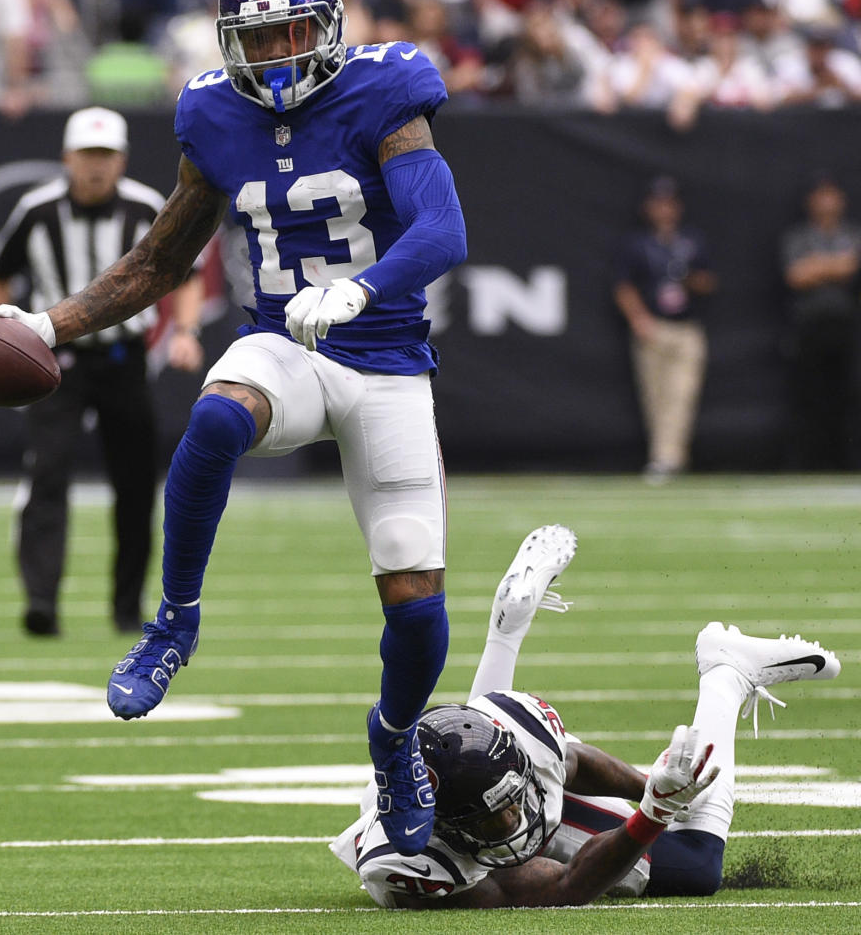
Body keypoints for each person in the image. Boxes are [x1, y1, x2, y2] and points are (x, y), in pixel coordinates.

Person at [0, 0, 467, 857]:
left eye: (293, 34)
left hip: (387, 360)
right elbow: (159, 260)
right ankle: (174, 623)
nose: (279, 56)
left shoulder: (383, 89)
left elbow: (443, 227)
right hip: (288, 343)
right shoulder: (213, 110)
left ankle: (395, 741)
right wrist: (49, 327)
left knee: (414, 600)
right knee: (214, 413)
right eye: (260, 39)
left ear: (327, 27)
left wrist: (364, 290)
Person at [331, 525, 842, 908]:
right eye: (496, 818)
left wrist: (653, 789)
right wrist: (656, 812)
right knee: (696, 866)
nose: (515, 820)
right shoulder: (416, 865)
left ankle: (721, 669)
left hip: (486, 766)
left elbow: (571, 762)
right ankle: (725, 678)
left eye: (511, 803)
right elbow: (565, 882)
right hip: (451, 842)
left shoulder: (517, 736)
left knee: (682, 803)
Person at [0, 106, 205, 637]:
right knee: (47, 475)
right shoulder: (37, 210)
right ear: (67, 157)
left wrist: (185, 332)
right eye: (87, 154)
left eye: (106, 155)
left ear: (122, 159)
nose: (96, 166)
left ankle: (127, 607)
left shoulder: (147, 206)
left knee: (134, 486)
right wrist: (2, 338)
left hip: (123, 359)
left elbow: (188, 273)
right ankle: (41, 602)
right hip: (54, 362)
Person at [612, 175, 718, 483]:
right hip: (653, 326)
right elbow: (623, 285)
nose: (664, 209)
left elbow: (709, 282)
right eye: (658, 203)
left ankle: (666, 460)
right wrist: (639, 319)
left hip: (686, 328)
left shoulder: (692, 240)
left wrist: (689, 279)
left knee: (682, 394)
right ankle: (668, 458)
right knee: (655, 397)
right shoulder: (637, 243)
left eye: (669, 203)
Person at [780, 171, 861, 470]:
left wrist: (818, 266)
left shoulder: (852, 233)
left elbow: (853, 266)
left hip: (847, 328)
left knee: (851, 397)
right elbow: (796, 275)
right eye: (820, 194)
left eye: (832, 194)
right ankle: (807, 465)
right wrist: (838, 266)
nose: (826, 201)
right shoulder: (797, 236)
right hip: (810, 328)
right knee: (809, 399)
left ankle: (850, 464)